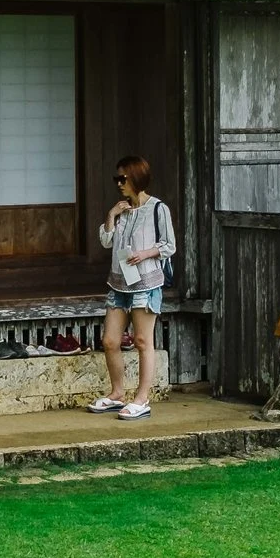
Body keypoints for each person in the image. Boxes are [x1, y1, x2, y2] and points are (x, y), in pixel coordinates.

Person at [90, 154, 175, 421]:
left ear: (137, 178)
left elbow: (170, 245)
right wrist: (111, 215)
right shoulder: (122, 209)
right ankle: (117, 393)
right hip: (118, 282)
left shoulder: (158, 208)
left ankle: (142, 398)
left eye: (123, 178)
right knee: (110, 340)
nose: (119, 183)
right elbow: (105, 242)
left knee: (142, 341)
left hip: (146, 283)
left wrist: (147, 253)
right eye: (117, 178)